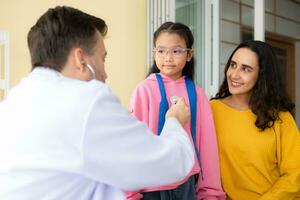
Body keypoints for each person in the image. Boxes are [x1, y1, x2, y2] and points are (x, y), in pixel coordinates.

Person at [0, 6, 197, 200]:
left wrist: (119, 129)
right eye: (102, 59)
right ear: (81, 59)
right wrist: (174, 121)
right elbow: (172, 163)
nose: (105, 73)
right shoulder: (87, 101)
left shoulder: (14, 102)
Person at [126, 22, 225, 200]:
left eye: (176, 51)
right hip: (151, 186)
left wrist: (211, 193)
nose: (168, 58)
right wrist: (130, 194)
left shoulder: (197, 94)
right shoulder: (144, 90)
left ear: (189, 55)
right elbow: (132, 143)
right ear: (154, 53)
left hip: (186, 184)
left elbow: (207, 145)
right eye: (161, 51)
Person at [210, 40, 300, 199]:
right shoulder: (211, 110)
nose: (234, 74)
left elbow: (295, 175)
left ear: (262, 76)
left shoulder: (280, 117)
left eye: (245, 69)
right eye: (233, 65)